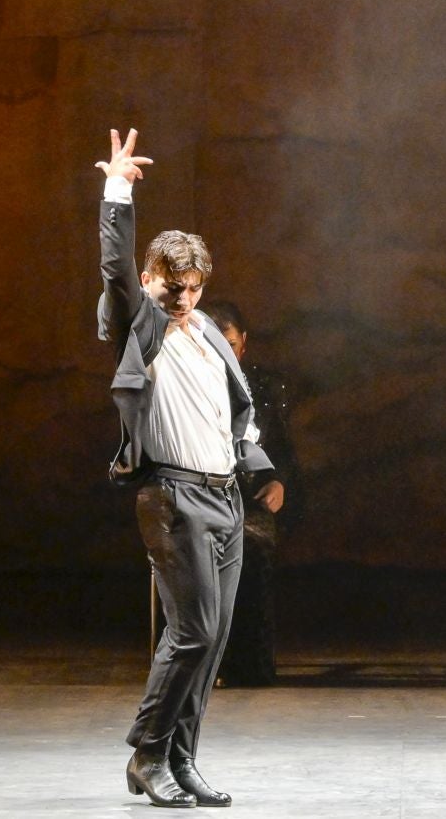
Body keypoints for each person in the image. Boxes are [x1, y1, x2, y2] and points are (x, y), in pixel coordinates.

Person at [97, 127, 271, 808]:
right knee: (192, 630)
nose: (183, 300)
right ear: (150, 283)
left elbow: (236, 408)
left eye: (193, 289)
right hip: (171, 498)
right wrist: (116, 190)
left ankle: (182, 757)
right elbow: (113, 269)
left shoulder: (204, 333)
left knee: (214, 637)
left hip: (224, 498)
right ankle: (147, 755)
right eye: (171, 288)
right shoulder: (140, 326)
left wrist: (249, 463)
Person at [203, 299, 297, 686]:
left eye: (230, 343)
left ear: (243, 342)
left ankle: (251, 664)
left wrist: (279, 482)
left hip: (250, 500)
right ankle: (210, 665)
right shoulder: (188, 385)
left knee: (251, 548)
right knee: (204, 552)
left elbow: (284, 453)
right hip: (201, 496)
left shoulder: (264, 388)